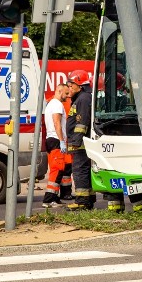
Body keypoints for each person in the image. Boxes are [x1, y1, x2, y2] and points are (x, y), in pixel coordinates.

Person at [65, 70, 95, 210]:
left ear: (80, 85)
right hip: (80, 142)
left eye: (71, 85)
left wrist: (76, 142)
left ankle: (82, 202)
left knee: (79, 170)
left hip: (81, 143)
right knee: (82, 170)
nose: (69, 88)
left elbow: (82, 123)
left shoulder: (83, 99)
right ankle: (87, 200)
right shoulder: (81, 98)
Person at [42, 83, 70, 209]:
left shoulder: (50, 104)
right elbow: (57, 123)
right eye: (66, 93)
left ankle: (55, 198)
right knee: (57, 170)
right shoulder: (57, 105)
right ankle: (48, 199)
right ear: (59, 91)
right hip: (56, 140)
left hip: (51, 139)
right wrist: (62, 140)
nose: (67, 96)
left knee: (58, 170)